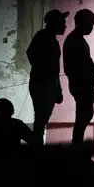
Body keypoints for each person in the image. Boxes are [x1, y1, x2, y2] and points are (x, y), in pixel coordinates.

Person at [63, 9, 94, 144]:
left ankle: (77, 150)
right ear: (81, 23)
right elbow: (80, 67)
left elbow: (84, 64)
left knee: (83, 117)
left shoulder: (78, 40)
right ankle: (77, 150)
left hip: (83, 85)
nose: (92, 27)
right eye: (90, 23)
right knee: (82, 118)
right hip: (81, 86)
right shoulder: (75, 41)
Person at [26, 9, 69, 144]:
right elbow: (31, 54)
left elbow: (55, 69)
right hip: (42, 86)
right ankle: (36, 151)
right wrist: (43, 74)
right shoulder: (42, 36)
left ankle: (37, 150)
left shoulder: (52, 40)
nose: (65, 26)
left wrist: (58, 89)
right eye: (62, 22)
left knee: (41, 121)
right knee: (40, 122)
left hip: (49, 86)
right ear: (54, 23)